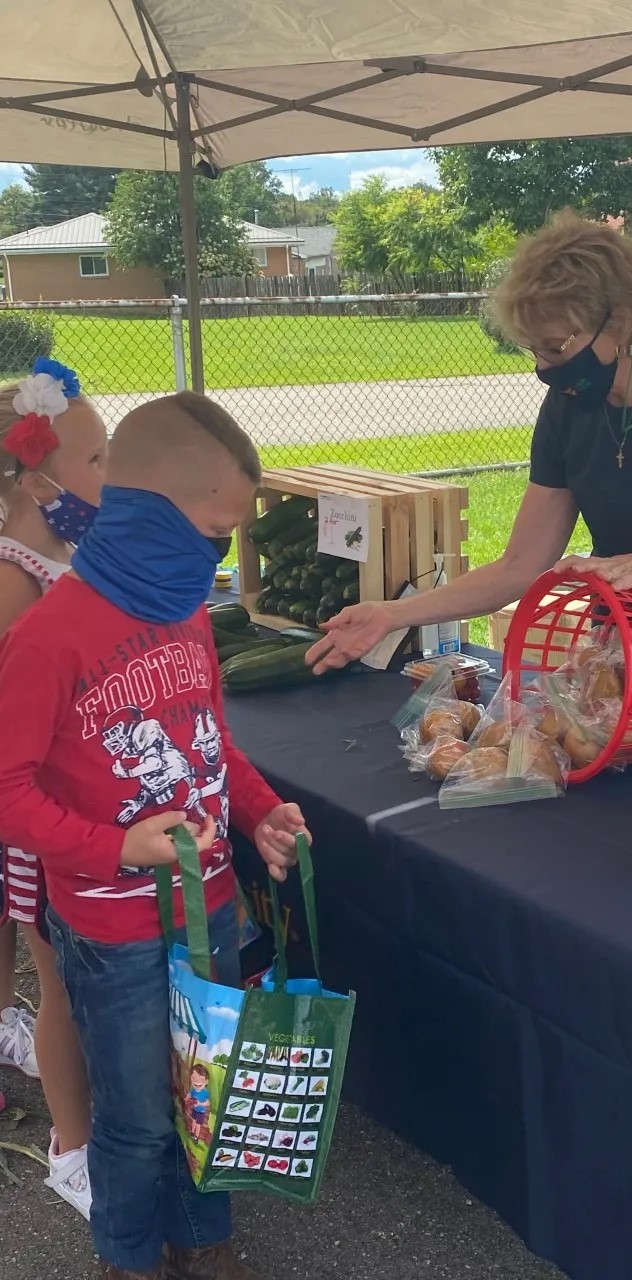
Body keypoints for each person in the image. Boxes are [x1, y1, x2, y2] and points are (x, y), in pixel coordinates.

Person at [0, 390, 309, 1280]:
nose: (219, 555)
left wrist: (261, 812)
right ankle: (127, 1256)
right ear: (145, 513)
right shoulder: (46, 637)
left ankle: (201, 1235)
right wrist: (114, 849)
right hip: (111, 927)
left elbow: (211, 742)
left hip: (209, 909)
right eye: (213, 533)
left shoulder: (182, 612)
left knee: (201, 1094)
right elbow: (8, 789)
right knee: (135, 1115)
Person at [307, 210, 632, 729]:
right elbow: (521, 565)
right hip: (627, 659)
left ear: (622, 321)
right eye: (533, 350)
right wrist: (392, 615)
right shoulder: (568, 406)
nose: (544, 367)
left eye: (556, 347)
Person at [0, 357, 105, 1218]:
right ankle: (72, 1149)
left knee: (78, 973)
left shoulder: (68, 551)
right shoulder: (10, 582)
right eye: (99, 461)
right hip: (40, 821)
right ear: (38, 478)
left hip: (81, 803)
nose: (113, 476)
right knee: (61, 980)